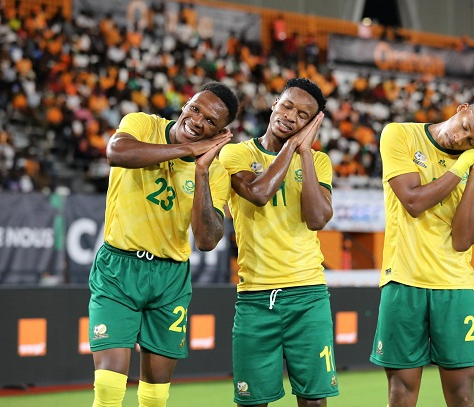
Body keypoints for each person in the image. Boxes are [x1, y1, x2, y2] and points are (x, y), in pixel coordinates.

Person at [88, 82, 239, 407]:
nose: (197, 120)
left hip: (170, 278)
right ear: (186, 103)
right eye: (196, 108)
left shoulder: (215, 169)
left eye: (210, 121)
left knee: (155, 397)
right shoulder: (143, 123)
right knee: (108, 388)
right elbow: (117, 152)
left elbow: (207, 240)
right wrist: (187, 151)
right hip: (119, 269)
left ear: (220, 131)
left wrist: (200, 169)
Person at [370, 100, 474, 407]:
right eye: (465, 128)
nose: (461, 140)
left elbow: (462, 239)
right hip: (403, 281)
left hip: (455, 287)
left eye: (473, 143)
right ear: (461, 109)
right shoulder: (399, 135)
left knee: (462, 395)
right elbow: (413, 201)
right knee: (401, 394)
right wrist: (461, 166)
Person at [219, 78, 339, 406]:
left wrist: (306, 155)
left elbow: (317, 219)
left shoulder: (320, 161)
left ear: (312, 124)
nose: (291, 116)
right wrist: (293, 146)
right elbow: (258, 193)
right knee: (253, 401)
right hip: (255, 298)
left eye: (303, 115)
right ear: (274, 103)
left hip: (308, 295)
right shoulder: (235, 153)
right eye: (287, 105)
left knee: (314, 400)